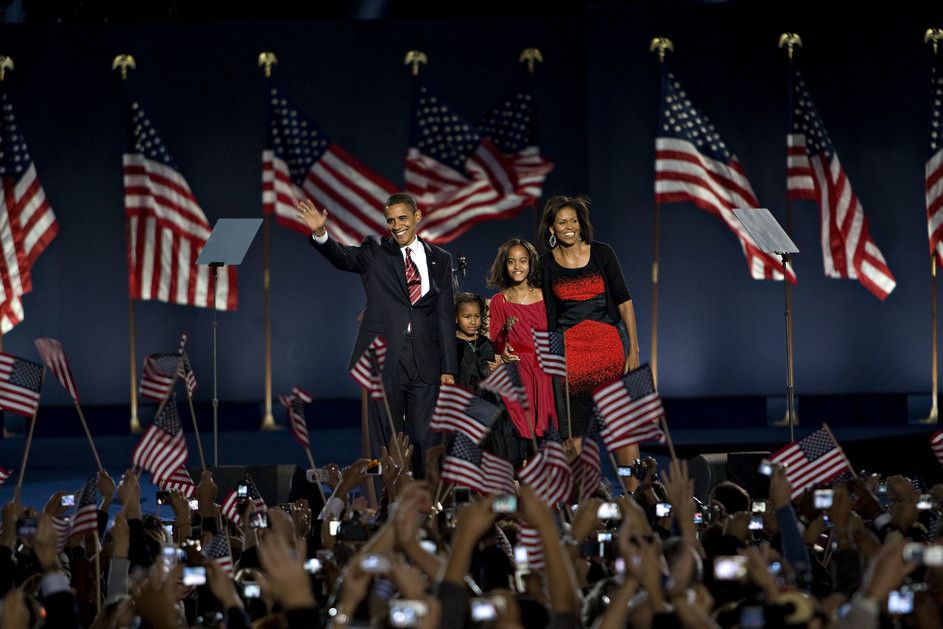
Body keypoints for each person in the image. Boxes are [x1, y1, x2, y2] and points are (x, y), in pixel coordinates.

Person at [296, 193, 457, 477]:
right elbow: (344, 257)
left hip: (426, 358)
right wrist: (321, 234)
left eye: (402, 218)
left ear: (417, 217)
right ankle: (392, 499)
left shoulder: (440, 259)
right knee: (389, 442)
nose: (396, 226)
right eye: (390, 221)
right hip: (385, 357)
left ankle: (423, 498)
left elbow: (445, 315)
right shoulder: (375, 250)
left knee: (425, 438)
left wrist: (449, 368)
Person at [538, 195, 640, 463]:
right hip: (571, 360)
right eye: (562, 222)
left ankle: (631, 486)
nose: (569, 227)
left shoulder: (603, 253)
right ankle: (583, 490)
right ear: (552, 228)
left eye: (573, 221)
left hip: (609, 352)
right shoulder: (545, 264)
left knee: (622, 432)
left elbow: (624, 302)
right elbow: (542, 312)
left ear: (581, 224)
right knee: (574, 436)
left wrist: (634, 350)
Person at [486, 238, 558, 465]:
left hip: (544, 371)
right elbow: (496, 341)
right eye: (511, 261)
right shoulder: (500, 300)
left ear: (531, 263)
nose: (517, 266)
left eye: (523, 261)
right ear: (504, 265)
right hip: (517, 373)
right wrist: (504, 348)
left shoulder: (546, 296)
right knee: (520, 433)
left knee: (545, 435)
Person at [453, 292, 497, 390]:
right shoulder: (450, 345)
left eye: (477, 316)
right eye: (467, 317)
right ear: (456, 317)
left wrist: (496, 369)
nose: (473, 322)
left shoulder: (486, 343)